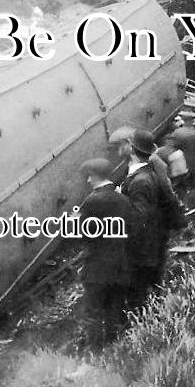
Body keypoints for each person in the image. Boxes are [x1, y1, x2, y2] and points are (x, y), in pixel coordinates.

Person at [77, 157, 132, 349]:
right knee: (114, 311)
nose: (88, 181)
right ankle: (114, 350)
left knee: (92, 313)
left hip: (98, 267)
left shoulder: (93, 200)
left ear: (95, 176)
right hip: (121, 265)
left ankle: (91, 356)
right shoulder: (124, 199)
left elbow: (80, 233)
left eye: (89, 177)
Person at [120, 129, 169, 311]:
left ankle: (142, 323)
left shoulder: (140, 181)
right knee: (152, 282)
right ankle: (156, 312)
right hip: (153, 240)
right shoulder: (149, 172)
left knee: (137, 289)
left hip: (141, 247)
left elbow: (138, 219)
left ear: (132, 150)